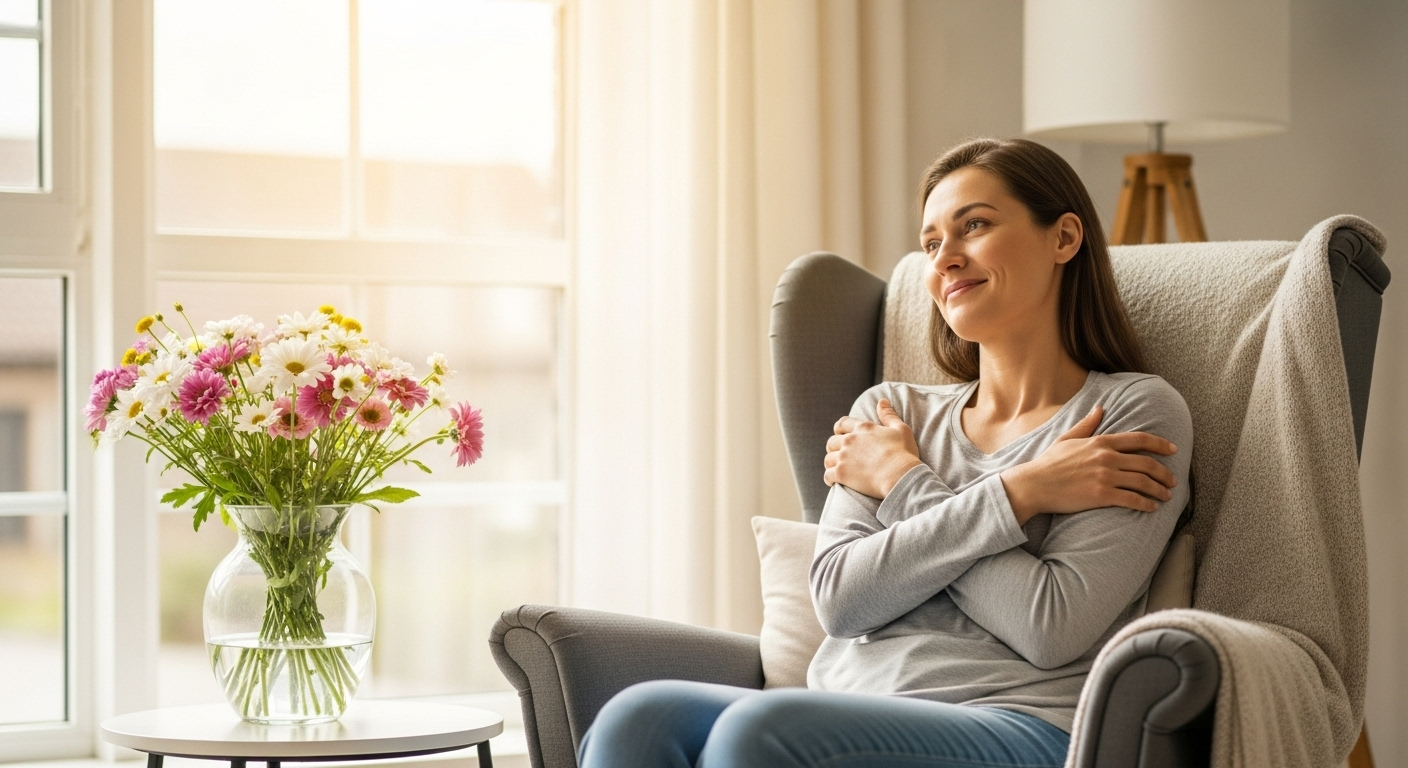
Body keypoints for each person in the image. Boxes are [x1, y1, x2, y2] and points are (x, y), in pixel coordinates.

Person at [578, 138, 1194, 768]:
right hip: (843, 704)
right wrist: (1021, 493)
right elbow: (841, 601)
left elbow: (1048, 626)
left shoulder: (1130, 412)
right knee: (638, 718)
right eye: (930, 243)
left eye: (974, 226)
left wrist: (903, 480)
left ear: (1063, 238)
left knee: (761, 729)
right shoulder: (890, 411)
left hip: (1022, 722)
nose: (945, 258)